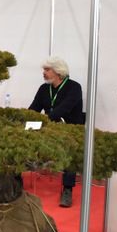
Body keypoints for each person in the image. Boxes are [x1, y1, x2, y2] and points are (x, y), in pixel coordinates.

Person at [28, 56, 84, 207]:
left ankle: (67, 189)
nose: (44, 73)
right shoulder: (44, 88)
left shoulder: (74, 87)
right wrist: (25, 121)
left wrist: (43, 122)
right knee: (23, 137)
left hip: (70, 129)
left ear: (58, 72)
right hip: (50, 127)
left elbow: (63, 109)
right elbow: (33, 109)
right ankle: (16, 179)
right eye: (44, 70)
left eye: (47, 70)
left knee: (70, 149)